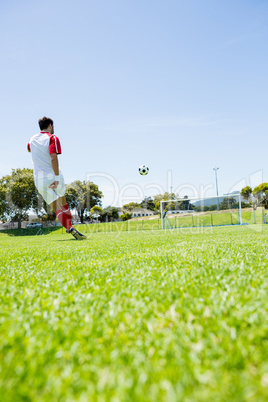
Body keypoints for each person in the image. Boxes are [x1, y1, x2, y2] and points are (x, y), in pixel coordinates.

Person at [27, 117, 86, 240]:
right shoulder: (52, 138)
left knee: (56, 208)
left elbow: (28, 148)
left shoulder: (32, 139)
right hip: (53, 176)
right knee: (63, 201)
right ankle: (70, 224)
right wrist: (57, 177)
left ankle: (69, 228)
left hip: (39, 180)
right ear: (50, 126)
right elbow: (53, 158)